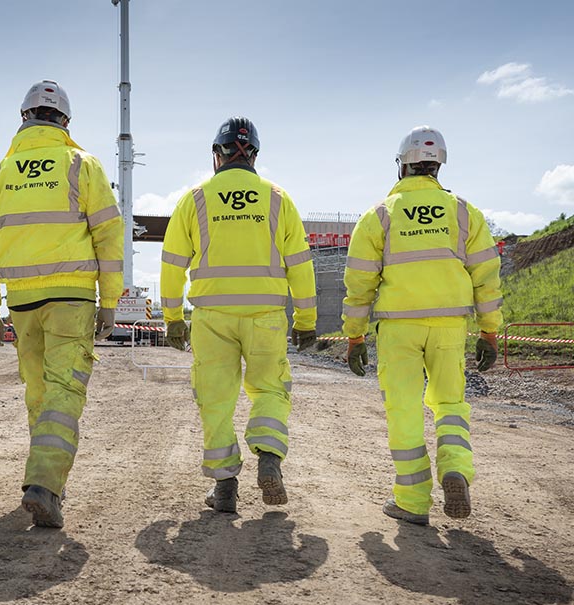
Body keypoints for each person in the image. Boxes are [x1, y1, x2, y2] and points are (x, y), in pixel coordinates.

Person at [0, 80, 123, 528]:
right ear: (65, 122)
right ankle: (45, 483)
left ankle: (47, 478)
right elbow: (109, 238)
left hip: (21, 302)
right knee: (64, 391)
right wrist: (110, 301)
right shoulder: (83, 166)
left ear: (24, 118)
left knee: (38, 393)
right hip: (72, 297)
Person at [342, 125, 503, 525]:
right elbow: (487, 276)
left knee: (405, 410)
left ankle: (413, 502)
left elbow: (359, 283)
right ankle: (455, 469)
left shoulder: (379, 216)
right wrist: (488, 331)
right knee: (450, 404)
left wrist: (355, 336)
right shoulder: (465, 213)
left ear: (402, 167)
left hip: (399, 329)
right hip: (450, 325)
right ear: (438, 166)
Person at [160, 117, 317, 513]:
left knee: (216, 399)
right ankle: (268, 456)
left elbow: (172, 264)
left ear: (217, 155)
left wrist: (172, 316)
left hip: (212, 318)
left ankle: (225, 487)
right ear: (255, 156)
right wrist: (307, 321)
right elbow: (301, 265)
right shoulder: (278, 199)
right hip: (265, 315)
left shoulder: (195, 198)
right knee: (269, 388)